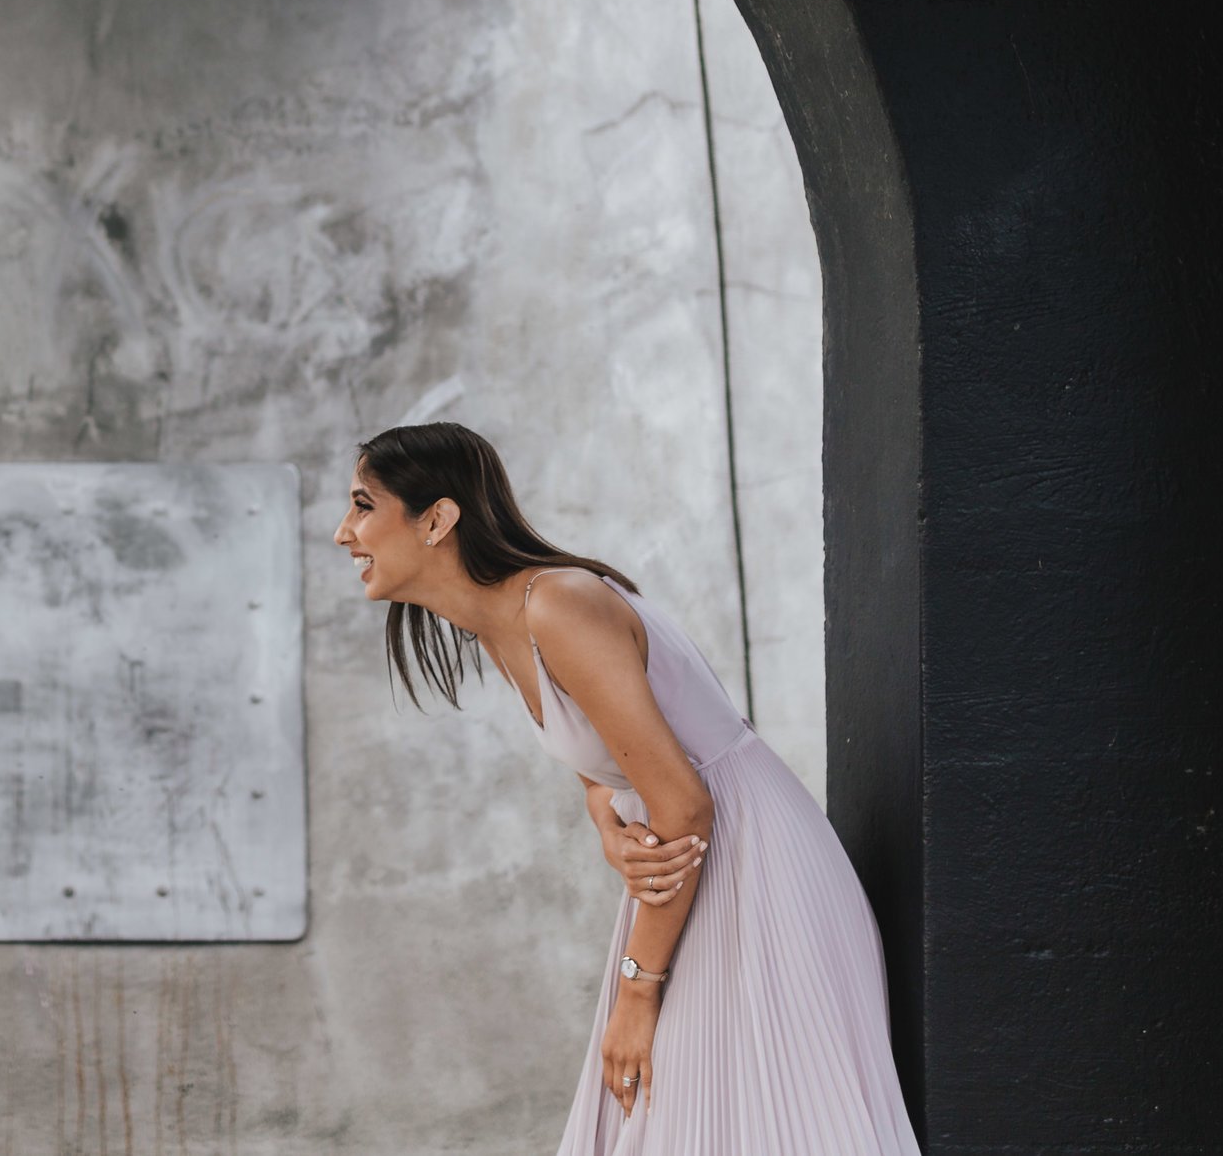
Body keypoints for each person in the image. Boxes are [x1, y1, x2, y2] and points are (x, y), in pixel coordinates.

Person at [336, 422, 918, 1154]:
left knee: (739, 1117)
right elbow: (605, 767)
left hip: (751, 868)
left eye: (362, 505)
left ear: (437, 519)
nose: (342, 532)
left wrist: (636, 993)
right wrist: (609, 826)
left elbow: (683, 801)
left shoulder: (558, 604)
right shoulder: (499, 620)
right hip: (690, 868)